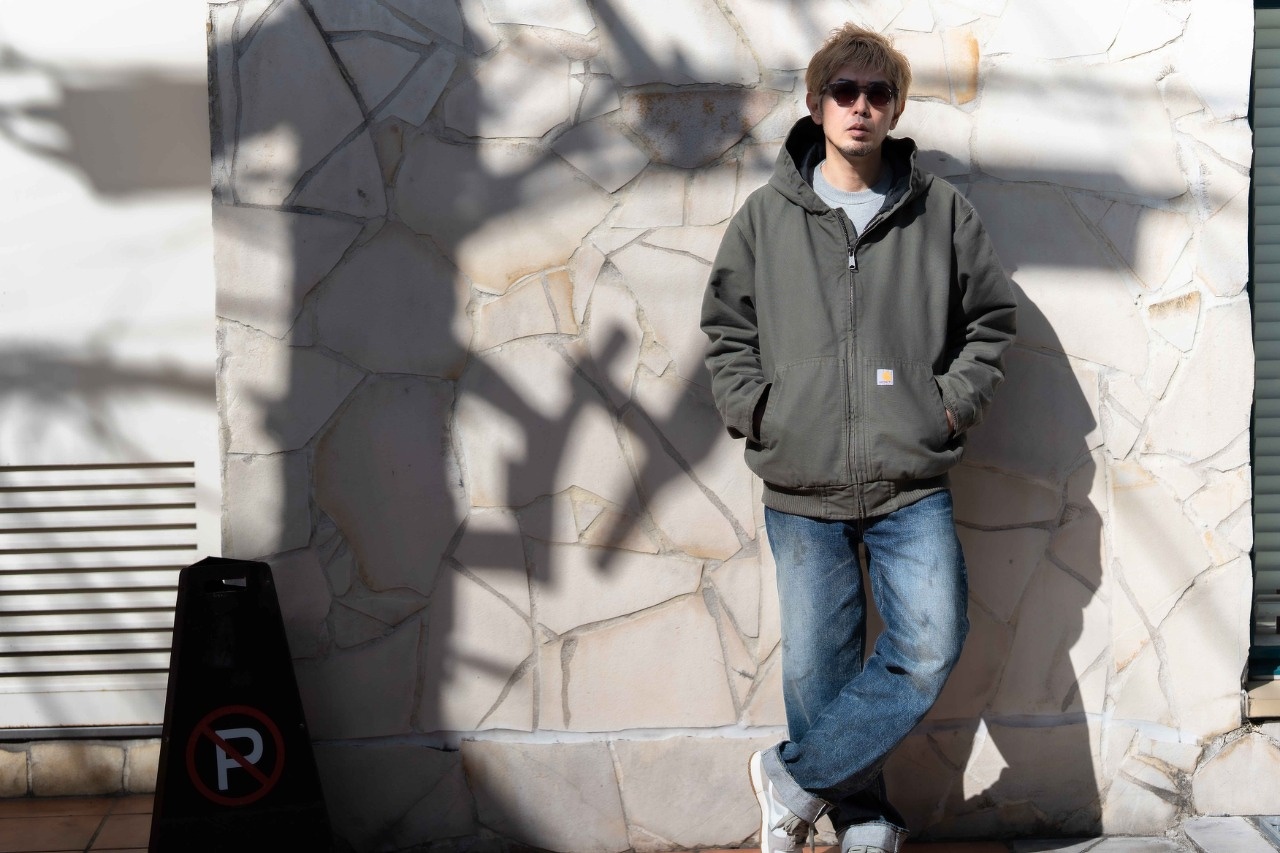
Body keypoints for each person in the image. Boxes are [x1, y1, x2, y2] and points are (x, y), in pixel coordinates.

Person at [700, 23, 1017, 853]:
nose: (861, 106)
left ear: (896, 107)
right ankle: (863, 819)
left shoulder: (939, 212)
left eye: (878, 93)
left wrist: (947, 407)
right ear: (817, 104)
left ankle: (794, 779)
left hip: (910, 479)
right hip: (801, 481)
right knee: (819, 672)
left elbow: (990, 322)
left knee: (932, 642)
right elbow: (727, 331)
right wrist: (760, 413)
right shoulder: (766, 219)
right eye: (844, 91)